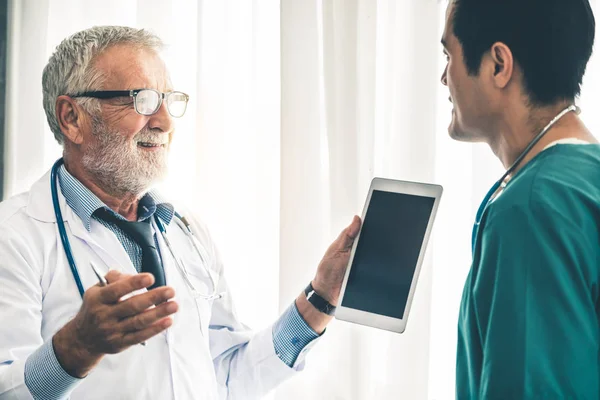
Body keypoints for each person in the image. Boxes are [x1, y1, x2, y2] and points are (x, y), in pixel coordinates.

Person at [0, 26, 361, 400]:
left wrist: (320, 299)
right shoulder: (13, 237)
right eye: (141, 100)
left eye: (167, 100)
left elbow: (225, 376)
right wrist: (77, 347)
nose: (165, 123)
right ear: (72, 118)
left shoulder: (185, 230)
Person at [440, 0, 599, 398]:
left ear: (498, 64)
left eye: (449, 55)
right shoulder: (583, 182)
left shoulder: (530, 209)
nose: (444, 78)